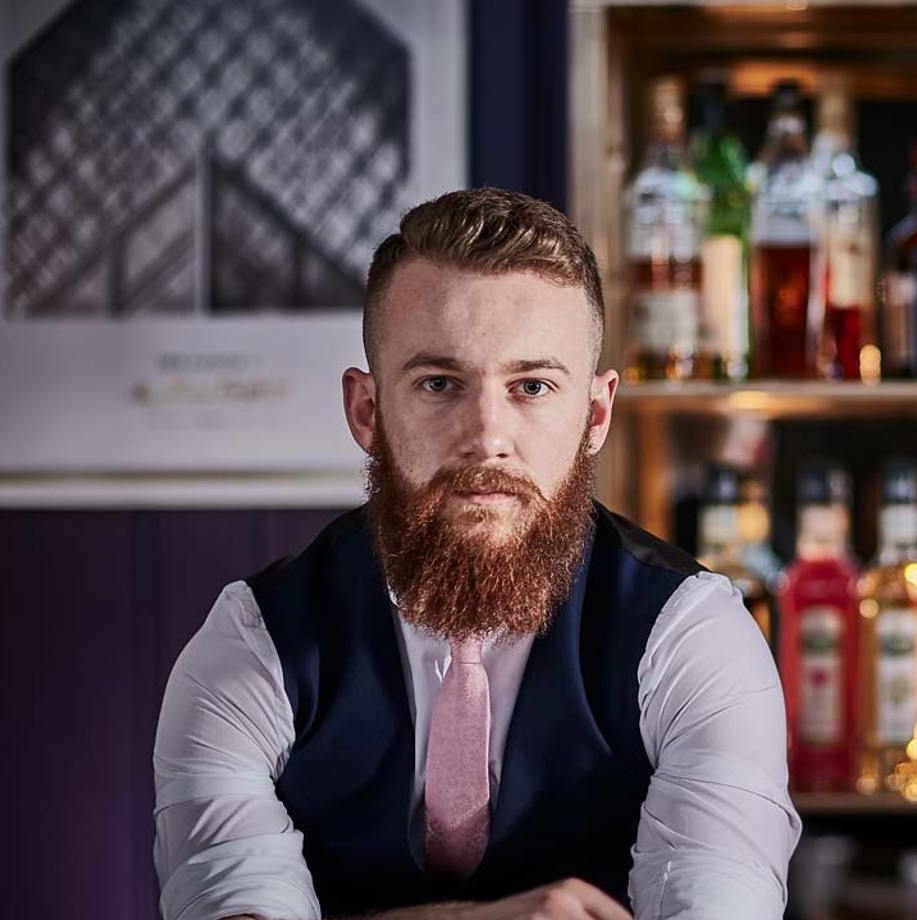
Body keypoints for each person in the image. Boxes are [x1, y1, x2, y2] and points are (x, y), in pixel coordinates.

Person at [153, 189, 799, 920]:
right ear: (368, 412)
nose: (487, 435)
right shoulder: (251, 645)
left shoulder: (693, 637)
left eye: (531, 386)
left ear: (594, 415)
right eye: (439, 383)